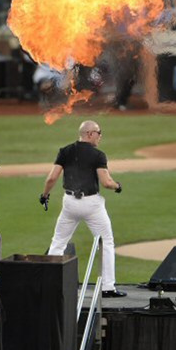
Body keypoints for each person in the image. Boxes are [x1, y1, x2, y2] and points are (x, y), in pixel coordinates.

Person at [40, 120, 126, 298]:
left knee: (58, 243)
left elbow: (51, 178)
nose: (100, 136)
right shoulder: (98, 155)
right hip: (91, 204)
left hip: (70, 203)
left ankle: (50, 285)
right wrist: (118, 186)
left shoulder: (65, 151)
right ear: (89, 134)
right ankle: (108, 287)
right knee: (106, 243)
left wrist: (45, 195)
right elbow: (106, 182)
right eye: (98, 133)